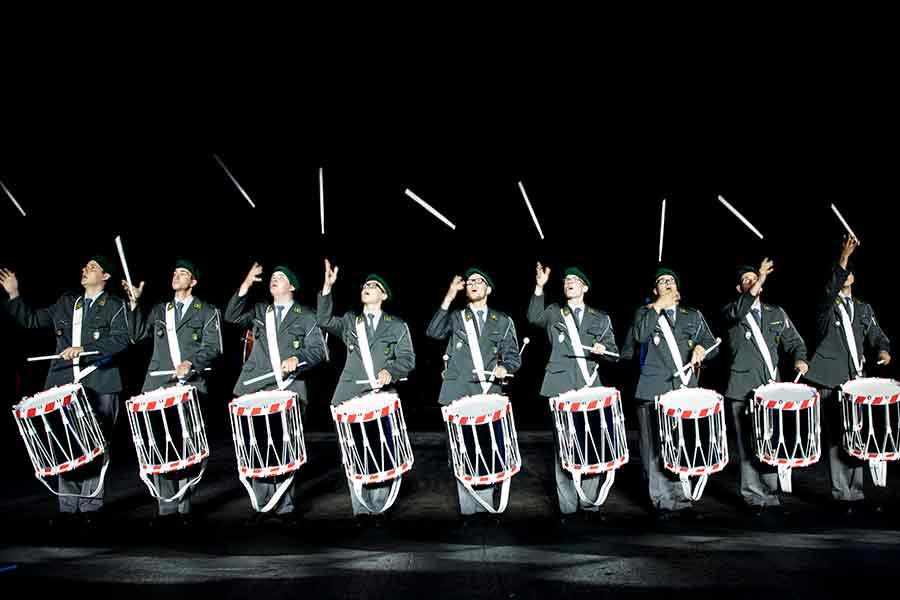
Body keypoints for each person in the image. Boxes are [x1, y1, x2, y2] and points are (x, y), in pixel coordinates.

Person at [1, 256, 130, 526]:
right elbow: (32, 320)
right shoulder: (66, 303)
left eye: (93, 267)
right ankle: (68, 510)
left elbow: (121, 339)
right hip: (63, 384)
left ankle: (91, 509)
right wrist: (14, 294)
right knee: (66, 444)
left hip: (99, 382)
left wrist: (84, 349)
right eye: (85, 266)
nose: (85, 270)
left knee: (95, 445)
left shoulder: (115, 306)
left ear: (105, 277)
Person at [124, 259, 223, 527]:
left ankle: (184, 507)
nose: (176, 275)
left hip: (190, 388)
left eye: (183, 273)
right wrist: (134, 304)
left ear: (193, 282)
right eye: (174, 272)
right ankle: (165, 510)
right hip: (157, 387)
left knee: (184, 445)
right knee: (159, 447)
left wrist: (192, 364)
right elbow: (135, 335)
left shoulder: (207, 311)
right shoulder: (159, 310)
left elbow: (214, 346)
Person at [225, 262, 326, 523]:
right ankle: (263, 505)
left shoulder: (306, 315)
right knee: (257, 446)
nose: (274, 280)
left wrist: (297, 358)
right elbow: (232, 316)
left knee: (285, 446)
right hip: (256, 387)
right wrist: (246, 284)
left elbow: (318, 350)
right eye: (272, 277)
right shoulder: (260, 311)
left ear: (292, 286)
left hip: (289, 389)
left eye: (280, 277)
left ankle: (285, 506)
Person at [316, 259, 415, 521]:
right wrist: (327, 288)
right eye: (365, 285)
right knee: (354, 453)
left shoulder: (396, 325)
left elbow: (407, 359)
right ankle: (360, 509)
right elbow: (324, 320)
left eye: (374, 286)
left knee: (382, 450)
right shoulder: (350, 321)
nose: (367, 288)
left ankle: (379, 508)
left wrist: (390, 372)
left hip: (382, 398)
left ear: (383, 295)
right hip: (350, 396)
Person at [426, 268, 522, 519]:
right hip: (459, 392)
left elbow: (513, 354)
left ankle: (487, 507)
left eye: (480, 281)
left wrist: (506, 367)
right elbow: (434, 332)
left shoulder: (502, 320)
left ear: (488, 289)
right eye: (469, 282)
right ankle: (468, 512)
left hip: (489, 391)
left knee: (490, 450)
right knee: (463, 451)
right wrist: (449, 295)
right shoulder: (457, 317)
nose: (473, 284)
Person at [805, 235, 891, 514]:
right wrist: (842, 257)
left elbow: (878, 334)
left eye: (848, 270)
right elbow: (830, 289)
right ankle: (842, 495)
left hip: (857, 380)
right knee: (837, 437)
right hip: (829, 377)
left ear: (854, 277)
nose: (845, 274)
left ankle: (856, 493)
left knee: (857, 435)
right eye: (841, 271)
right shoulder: (826, 305)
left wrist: (883, 350)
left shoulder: (864, 308)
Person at [527, 262, 618, 519]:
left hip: (590, 387)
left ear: (585, 287)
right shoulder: (554, 312)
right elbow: (534, 317)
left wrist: (603, 350)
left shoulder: (600, 318)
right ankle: (568, 508)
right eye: (566, 281)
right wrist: (539, 287)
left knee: (592, 445)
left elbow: (615, 354)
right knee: (564, 448)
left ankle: (589, 504)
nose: (569, 283)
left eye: (575, 281)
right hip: (560, 386)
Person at [630, 267, 718, 519]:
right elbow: (640, 335)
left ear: (678, 289)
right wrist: (658, 305)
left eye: (671, 281)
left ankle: (681, 499)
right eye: (662, 282)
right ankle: (662, 501)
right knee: (656, 449)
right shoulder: (645, 313)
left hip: (684, 391)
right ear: (655, 290)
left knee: (681, 446)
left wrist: (702, 348)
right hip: (653, 389)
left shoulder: (693, 315)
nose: (667, 283)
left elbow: (712, 344)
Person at [722, 258, 807, 515]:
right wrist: (759, 277)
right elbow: (740, 310)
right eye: (746, 280)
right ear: (740, 288)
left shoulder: (776, 313)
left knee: (770, 443)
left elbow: (795, 341)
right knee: (748, 446)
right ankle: (753, 497)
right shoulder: (732, 311)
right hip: (742, 388)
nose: (751, 282)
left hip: (771, 389)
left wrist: (800, 358)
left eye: (754, 279)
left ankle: (771, 496)